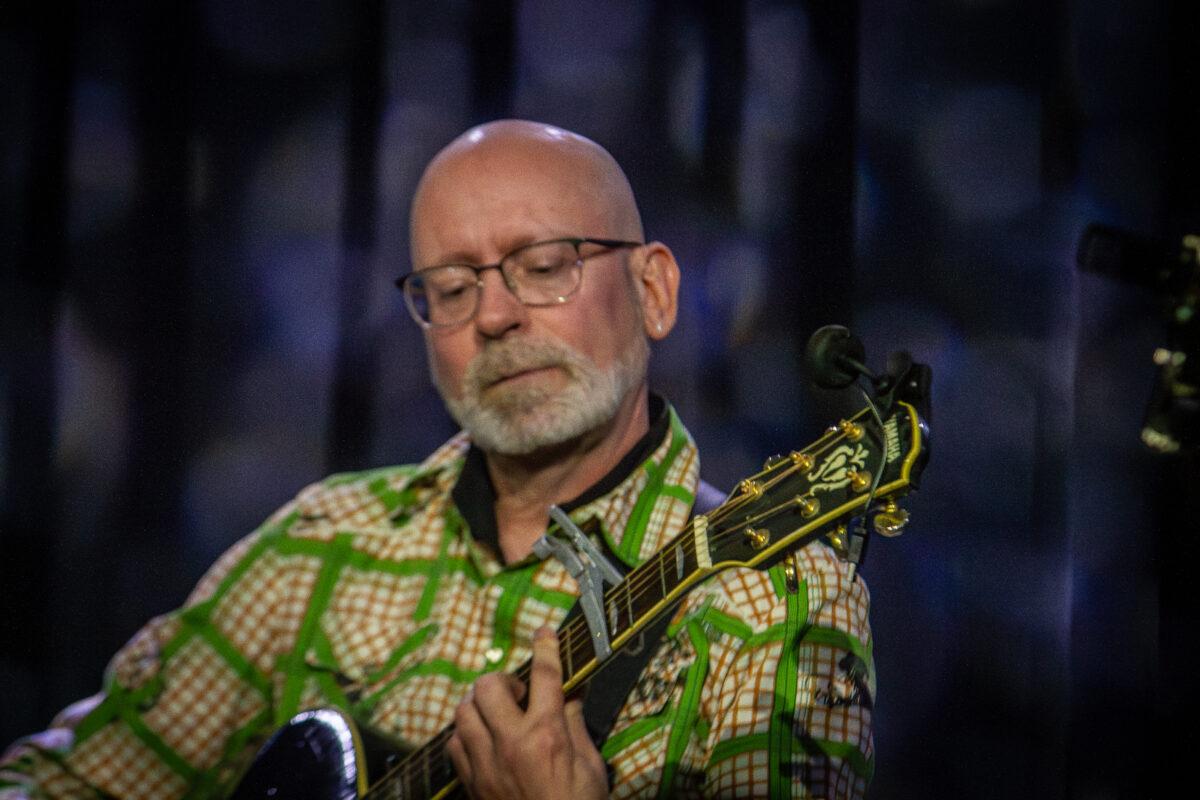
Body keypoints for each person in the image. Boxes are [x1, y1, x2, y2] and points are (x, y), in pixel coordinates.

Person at [0, 120, 874, 798]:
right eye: (452, 289)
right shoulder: (320, 544)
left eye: (542, 266)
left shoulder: (781, 592)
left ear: (653, 291)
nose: (493, 317)